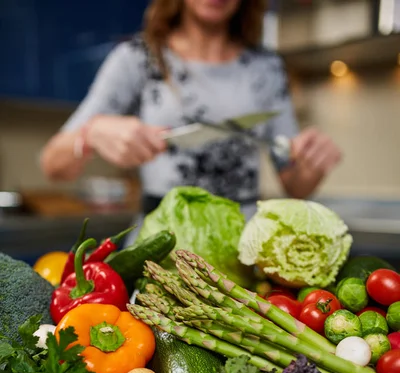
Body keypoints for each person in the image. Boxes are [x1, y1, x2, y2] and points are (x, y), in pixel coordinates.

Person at [41, 0, 341, 221]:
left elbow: (295, 184)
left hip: (244, 248)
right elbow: (52, 164)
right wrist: (91, 132)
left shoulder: (266, 68)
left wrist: (313, 163)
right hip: (162, 245)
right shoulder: (137, 58)